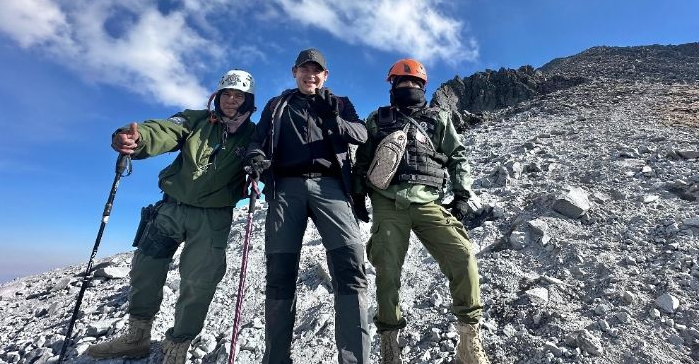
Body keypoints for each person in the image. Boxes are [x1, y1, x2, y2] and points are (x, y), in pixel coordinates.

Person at [85, 70, 257, 364]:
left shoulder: (254, 133)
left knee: (199, 281)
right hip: (171, 207)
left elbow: (265, 153)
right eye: (226, 94)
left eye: (238, 95)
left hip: (213, 217)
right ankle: (137, 336)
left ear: (247, 100)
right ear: (217, 97)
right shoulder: (196, 120)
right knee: (146, 269)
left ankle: (178, 344)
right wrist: (136, 139)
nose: (231, 100)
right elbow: (164, 130)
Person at [352, 59, 490, 364]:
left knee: (463, 255)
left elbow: (457, 156)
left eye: (413, 83)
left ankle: (468, 341)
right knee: (387, 270)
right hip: (388, 202)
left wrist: (463, 195)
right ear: (392, 86)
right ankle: (390, 343)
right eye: (401, 83)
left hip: (428, 202)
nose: (407, 88)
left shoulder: (438, 119)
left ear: (422, 87)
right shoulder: (378, 119)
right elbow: (362, 160)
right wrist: (358, 194)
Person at [244, 48, 371, 364]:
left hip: (331, 187)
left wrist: (335, 120)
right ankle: (276, 359)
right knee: (279, 272)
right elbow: (256, 142)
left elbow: (362, 135)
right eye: (305, 69)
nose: (310, 74)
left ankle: (355, 360)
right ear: (294, 72)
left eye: (317, 70)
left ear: (325, 75)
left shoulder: (339, 103)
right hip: (286, 189)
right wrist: (255, 158)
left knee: (351, 265)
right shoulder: (277, 106)